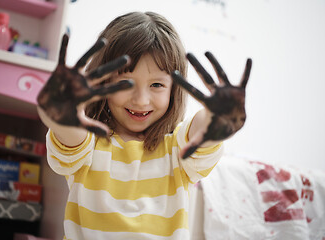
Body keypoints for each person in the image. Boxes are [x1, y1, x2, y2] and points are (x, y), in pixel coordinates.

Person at [37, 11, 251, 240]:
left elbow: (202, 129)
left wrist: (216, 118)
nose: (140, 100)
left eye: (157, 84)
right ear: (103, 83)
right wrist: (58, 110)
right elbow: (67, 130)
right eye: (126, 83)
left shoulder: (178, 150)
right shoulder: (88, 144)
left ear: (174, 91)